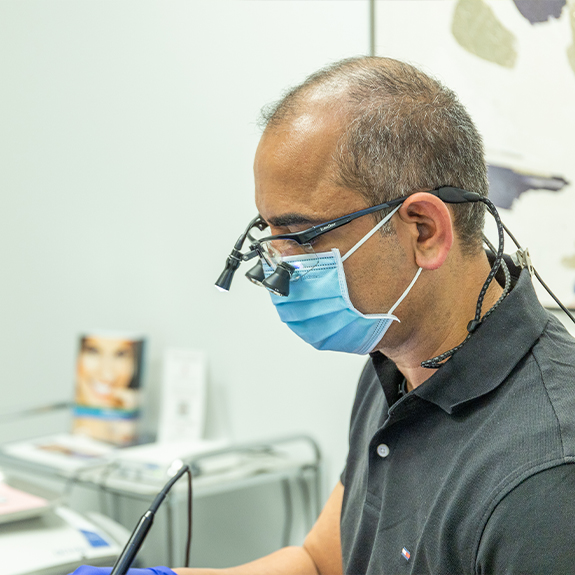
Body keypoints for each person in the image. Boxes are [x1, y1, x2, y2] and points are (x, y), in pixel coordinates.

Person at [71, 56, 575, 574]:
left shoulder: (545, 474)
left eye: (302, 237)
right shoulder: (397, 362)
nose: (279, 269)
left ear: (424, 230)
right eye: (269, 235)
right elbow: (319, 562)